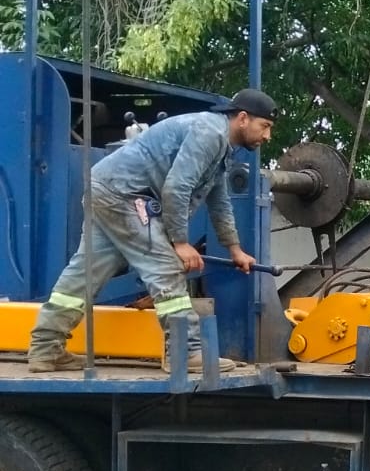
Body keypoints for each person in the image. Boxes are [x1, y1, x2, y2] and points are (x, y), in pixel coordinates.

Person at [28, 89, 277, 375]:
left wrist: (234, 249)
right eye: (265, 126)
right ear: (243, 118)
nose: (267, 136)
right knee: (166, 268)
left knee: (84, 274)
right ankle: (185, 353)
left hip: (107, 188)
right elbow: (177, 188)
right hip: (124, 194)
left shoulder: (220, 146)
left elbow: (219, 201)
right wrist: (180, 242)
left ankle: (45, 350)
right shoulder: (209, 134)